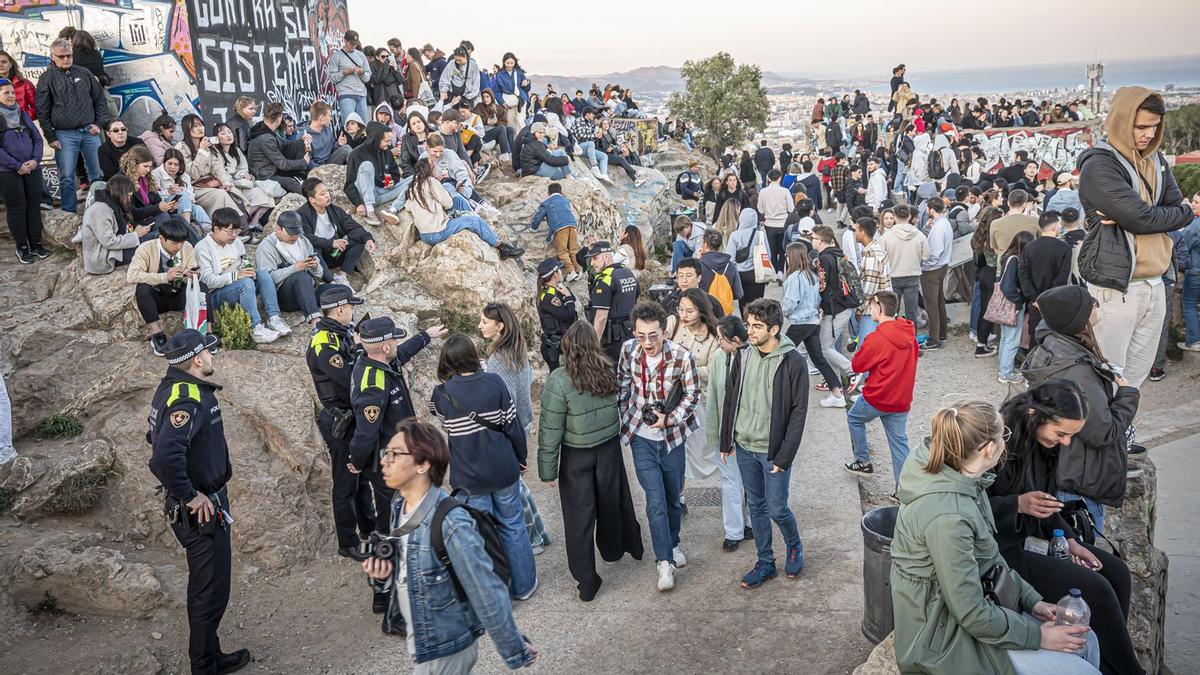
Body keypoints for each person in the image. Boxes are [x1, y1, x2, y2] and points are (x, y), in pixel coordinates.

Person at [890, 399, 1101, 675]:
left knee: (1088, 641)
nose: (1006, 442)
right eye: (1004, 436)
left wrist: (1033, 601)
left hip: (961, 615)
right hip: (940, 639)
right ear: (990, 449)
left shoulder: (962, 478)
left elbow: (990, 557)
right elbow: (970, 613)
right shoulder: (948, 517)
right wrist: (1039, 637)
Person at [988, 381, 1142, 675]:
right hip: (1001, 555)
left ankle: (1114, 663)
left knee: (1117, 572)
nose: (1067, 443)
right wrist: (1017, 505)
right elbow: (972, 512)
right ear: (1034, 414)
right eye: (1062, 434)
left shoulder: (1044, 442)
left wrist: (1070, 540)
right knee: (1096, 589)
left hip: (1028, 538)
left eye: (1071, 435)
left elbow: (1044, 504)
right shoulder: (999, 442)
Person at [362, 419, 538, 671]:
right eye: (385, 453)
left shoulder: (452, 523)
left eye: (395, 454)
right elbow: (408, 572)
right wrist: (384, 577)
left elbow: (486, 591)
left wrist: (515, 650)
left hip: (448, 650)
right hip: (424, 644)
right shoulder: (399, 506)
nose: (384, 461)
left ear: (423, 464)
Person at [1077, 87, 1197, 388]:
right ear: (1121, 121)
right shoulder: (1099, 166)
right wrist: (1155, 214)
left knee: (1135, 379)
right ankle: (1104, 434)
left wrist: (1157, 213)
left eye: (1154, 126)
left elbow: (1174, 208)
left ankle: (1122, 434)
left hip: (1156, 280)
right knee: (1107, 375)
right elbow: (1144, 218)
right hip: (1116, 285)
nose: (1148, 134)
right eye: (1141, 126)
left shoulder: (1156, 161)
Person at [147, 329, 251, 675]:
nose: (212, 356)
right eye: (209, 352)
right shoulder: (186, 397)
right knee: (209, 592)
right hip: (200, 511)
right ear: (196, 360)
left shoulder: (177, 388)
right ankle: (203, 667)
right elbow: (164, 457)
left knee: (214, 588)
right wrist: (191, 495)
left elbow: (156, 437)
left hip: (209, 502)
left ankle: (211, 655)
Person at [1022, 285, 1141, 531]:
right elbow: (1102, 432)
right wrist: (1128, 395)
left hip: (1061, 474)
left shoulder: (1052, 349)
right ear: (1079, 318)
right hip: (1079, 485)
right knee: (1084, 554)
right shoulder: (1078, 371)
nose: (1096, 306)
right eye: (1092, 304)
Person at [538, 321, 643, 600]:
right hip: (608, 450)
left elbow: (550, 428)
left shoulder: (559, 380)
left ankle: (587, 581)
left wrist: (547, 470)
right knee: (611, 503)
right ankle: (613, 549)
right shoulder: (607, 368)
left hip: (576, 455)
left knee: (579, 519)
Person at [429, 333, 539, 601]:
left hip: (468, 476)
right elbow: (511, 425)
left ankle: (495, 593)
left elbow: (443, 420)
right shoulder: (494, 382)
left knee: (482, 533)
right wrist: (521, 456)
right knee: (513, 524)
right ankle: (524, 586)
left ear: (448, 360)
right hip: (502, 467)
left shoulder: (441, 394)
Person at [708, 299, 808, 589]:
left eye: (757, 326)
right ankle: (765, 562)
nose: (749, 331)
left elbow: (798, 413)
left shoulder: (793, 362)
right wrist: (727, 440)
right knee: (757, 507)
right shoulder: (742, 356)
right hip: (745, 447)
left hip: (773, 451)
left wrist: (785, 455)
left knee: (777, 508)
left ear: (774, 329)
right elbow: (731, 398)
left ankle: (793, 545)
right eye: (749, 324)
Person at [349, 316, 447, 611]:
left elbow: (402, 353)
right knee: (393, 526)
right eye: (394, 339)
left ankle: (390, 589)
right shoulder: (373, 382)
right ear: (385, 345)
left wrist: (425, 336)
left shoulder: (380, 361)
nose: (396, 344)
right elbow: (366, 432)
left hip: (400, 459)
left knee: (395, 523)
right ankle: (386, 592)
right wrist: (357, 460)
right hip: (389, 465)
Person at [617, 301, 700, 592]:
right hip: (641, 438)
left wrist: (670, 418)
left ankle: (673, 541)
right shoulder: (628, 350)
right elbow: (623, 387)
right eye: (641, 335)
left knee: (672, 499)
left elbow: (692, 395)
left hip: (673, 439)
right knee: (654, 501)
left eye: (653, 335)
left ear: (664, 331)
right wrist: (627, 420)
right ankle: (664, 563)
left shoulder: (681, 356)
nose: (647, 342)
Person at [306, 285, 374, 561]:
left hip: (351, 415)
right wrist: (359, 350)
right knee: (345, 482)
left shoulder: (338, 333)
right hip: (339, 419)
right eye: (351, 308)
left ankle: (369, 527)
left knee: (362, 475)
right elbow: (349, 379)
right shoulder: (323, 342)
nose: (353, 312)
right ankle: (347, 542)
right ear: (340, 309)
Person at [478, 302, 552, 554]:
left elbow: (503, 398)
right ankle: (540, 532)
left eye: (484, 322)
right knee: (519, 486)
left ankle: (533, 539)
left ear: (499, 326)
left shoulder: (498, 358)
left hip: (511, 427)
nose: (480, 326)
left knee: (512, 491)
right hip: (524, 419)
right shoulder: (516, 349)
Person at [668, 289, 729, 532]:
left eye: (690, 310)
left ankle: (733, 490)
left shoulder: (715, 336)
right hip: (675, 400)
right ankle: (679, 497)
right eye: (681, 309)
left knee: (712, 447)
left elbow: (716, 369)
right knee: (677, 449)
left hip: (704, 401)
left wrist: (686, 368)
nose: (683, 314)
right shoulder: (672, 324)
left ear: (702, 311)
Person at [842, 290, 917, 485]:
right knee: (899, 444)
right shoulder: (909, 334)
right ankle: (904, 490)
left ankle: (863, 461)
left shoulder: (877, 338)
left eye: (872, 307)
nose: (871, 311)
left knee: (854, 419)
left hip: (878, 397)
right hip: (901, 399)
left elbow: (857, 365)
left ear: (879, 308)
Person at [404, 145, 523, 259]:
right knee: (474, 221)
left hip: (425, 234)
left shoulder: (413, 186)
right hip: (437, 232)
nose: (435, 166)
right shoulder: (431, 182)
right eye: (433, 166)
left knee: (458, 199)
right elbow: (448, 204)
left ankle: (475, 219)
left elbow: (408, 207)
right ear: (429, 169)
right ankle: (501, 247)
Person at [35, 37, 108, 214]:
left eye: (69, 55)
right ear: (53, 57)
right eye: (61, 56)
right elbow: (42, 110)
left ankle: (99, 210)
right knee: (67, 177)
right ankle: (69, 213)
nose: (66, 59)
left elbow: (99, 99)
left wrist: (99, 124)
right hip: (64, 134)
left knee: (97, 175)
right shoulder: (46, 78)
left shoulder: (84, 73)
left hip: (90, 131)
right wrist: (50, 136)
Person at [194, 208, 280, 343]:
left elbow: (244, 262)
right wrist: (236, 276)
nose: (234, 235)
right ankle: (255, 326)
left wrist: (248, 271)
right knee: (245, 283)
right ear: (216, 229)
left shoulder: (237, 243)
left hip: (237, 286)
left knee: (262, 274)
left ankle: (274, 317)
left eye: (236, 231)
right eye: (230, 231)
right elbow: (207, 281)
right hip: (215, 295)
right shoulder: (202, 248)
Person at [782, 241, 843, 402]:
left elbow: (791, 303)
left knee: (780, 354)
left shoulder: (794, 278)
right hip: (813, 321)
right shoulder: (812, 275)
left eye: (787, 255)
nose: (785, 258)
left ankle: (783, 388)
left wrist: (783, 312)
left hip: (799, 323)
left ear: (791, 257)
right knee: (818, 359)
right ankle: (837, 392)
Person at [127, 218, 197, 354]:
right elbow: (132, 275)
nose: (179, 247)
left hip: (179, 294)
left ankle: (207, 332)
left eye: (181, 242)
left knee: (202, 286)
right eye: (174, 243)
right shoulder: (146, 248)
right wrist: (165, 277)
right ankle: (157, 334)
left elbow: (192, 268)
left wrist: (191, 274)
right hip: (157, 297)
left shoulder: (187, 247)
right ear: (161, 238)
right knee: (142, 288)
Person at [253, 212, 327, 330]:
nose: (295, 236)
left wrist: (315, 266)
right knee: (300, 276)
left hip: (307, 291)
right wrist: (294, 268)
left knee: (341, 291)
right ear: (278, 229)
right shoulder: (266, 247)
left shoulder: (303, 240)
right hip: (283, 296)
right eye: (291, 233)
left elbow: (320, 274)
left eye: (297, 233)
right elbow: (266, 279)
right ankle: (315, 321)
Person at [297, 177, 376, 287]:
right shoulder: (302, 214)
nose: (327, 195)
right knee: (313, 250)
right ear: (312, 199)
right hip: (320, 258)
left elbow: (352, 226)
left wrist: (368, 238)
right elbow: (307, 237)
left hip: (336, 252)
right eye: (322, 194)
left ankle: (342, 275)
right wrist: (331, 243)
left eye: (327, 191)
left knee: (359, 239)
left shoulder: (334, 209)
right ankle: (331, 281)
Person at [811, 226, 859, 406]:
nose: (812, 241)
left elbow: (821, 286)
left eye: (814, 238)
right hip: (844, 305)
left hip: (834, 309)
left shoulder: (823, 258)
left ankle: (851, 371)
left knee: (824, 347)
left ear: (821, 241)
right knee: (828, 345)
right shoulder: (839, 254)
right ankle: (833, 382)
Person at [0, 78, 46, 263]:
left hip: (31, 168)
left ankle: (36, 243)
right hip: (8, 171)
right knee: (17, 209)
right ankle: (22, 247)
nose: (11, 96)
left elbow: (37, 139)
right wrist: (17, 165)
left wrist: (35, 160)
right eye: (6, 93)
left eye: (12, 92)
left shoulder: (22, 114)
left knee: (34, 206)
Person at [81, 175, 152, 273]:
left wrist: (135, 230)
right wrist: (136, 235)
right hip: (105, 258)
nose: (129, 200)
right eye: (129, 196)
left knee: (153, 236)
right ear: (121, 193)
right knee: (152, 240)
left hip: (113, 252)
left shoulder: (113, 205)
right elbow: (109, 242)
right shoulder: (100, 210)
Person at [211, 123, 275, 228]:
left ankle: (254, 222)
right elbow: (219, 171)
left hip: (242, 184)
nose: (228, 135)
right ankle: (242, 220)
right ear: (216, 137)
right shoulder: (215, 152)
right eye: (223, 133)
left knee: (266, 194)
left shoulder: (236, 150)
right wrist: (237, 176)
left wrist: (244, 175)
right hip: (228, 184)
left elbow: (243, 168)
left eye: (229, 132)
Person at [585, 240, 640, 363]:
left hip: (612, 342)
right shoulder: (627, 272)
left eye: (595, 258)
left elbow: (601, 317)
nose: (592, 263)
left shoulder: (605, 280)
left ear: (606, 256)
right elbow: (635, 300)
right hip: (631, 335)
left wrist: (594, 346)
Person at [1019, 211, 1073, 332]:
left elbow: (1023, 275)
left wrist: (1034, 298)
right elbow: (1062, 277)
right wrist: (1047, 298)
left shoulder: (1029, 247)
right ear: (1054, 226)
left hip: (1033, 302)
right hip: (1054, 300)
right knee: (1052, 335)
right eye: (1059, 224)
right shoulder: (1064, 248)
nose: (1061, 226)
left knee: (1034, 333)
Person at [878, 204, 929, 324]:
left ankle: (894, 338)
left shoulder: (886, 237)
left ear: (895, 217)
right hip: (913, 276)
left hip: (893, 276)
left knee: (893, 312)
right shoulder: (919, 235)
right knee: (911, 312)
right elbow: (926, 255)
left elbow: (880, 258)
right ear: (909, 216)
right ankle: (912, 339)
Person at [998, 231, 1036, 384]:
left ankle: (1003, 368)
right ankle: (1006, 373)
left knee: (1005, 338)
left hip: (1005, 306)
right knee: (1012, 341)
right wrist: (1019, 300)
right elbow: (1007, 287)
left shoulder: (1007, 256)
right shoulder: (1016, 260)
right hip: (1013, 305)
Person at [248, 102, 309, 194]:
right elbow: (283, 164)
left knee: (300, 144)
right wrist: (304, 162)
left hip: (272, 168)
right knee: (291, 183)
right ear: (278, 119)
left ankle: (300, 176)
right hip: (265, 174)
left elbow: (285, 144)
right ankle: (311, 198)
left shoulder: (265, 129)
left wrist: (303, 140)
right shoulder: (266, 138)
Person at [920, 198, 954, 350]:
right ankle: (942, 334)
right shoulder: (943, 223)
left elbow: (935, 253)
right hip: (942, 266)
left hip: (933, 269)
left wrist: (924, 264)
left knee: (931, 304)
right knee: (939, 301)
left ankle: (934, 339)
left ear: (931, 210)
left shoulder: (939, 228)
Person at [530, 183, 581, 280]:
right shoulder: (566, 200)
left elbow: (539, 216)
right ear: (561, 191)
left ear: (548, 193)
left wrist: (533, 227)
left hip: (560, 228)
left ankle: (571, 271)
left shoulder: (547, 203)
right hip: (572, 225)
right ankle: (578, 269)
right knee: (574, 249)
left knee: (562, 252)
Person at [535, 258, 577, 370]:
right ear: (554, 274)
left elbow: (573, 300)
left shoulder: (556, 289)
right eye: (559, 270)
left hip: (561, 343)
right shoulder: (549, 297)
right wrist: (567, 296)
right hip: (555, 346)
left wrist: (568, 296)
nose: (561, 272)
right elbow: (569, 315)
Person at [154, 149, 211, 230]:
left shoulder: (185, 176)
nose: (172, 167)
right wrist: (168, 192)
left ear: (180, 165)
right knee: (183, 195)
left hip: (181, 206)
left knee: (197, 208)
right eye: (170, 163)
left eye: (176, 164)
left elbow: (191, 197)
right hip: (164, 206)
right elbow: (153, 197)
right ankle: (187, 227)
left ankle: (209, 230)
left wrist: (181, 197)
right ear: (164, 163)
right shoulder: (156, 174)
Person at [727, 207, 769, 307]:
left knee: (743, 302)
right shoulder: (760, 234)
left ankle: (745, 321)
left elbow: (730, 258)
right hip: (757, 273)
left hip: (740, 274)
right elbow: (767, 255)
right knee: (758, 303)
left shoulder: (734, 235)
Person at [326, 30, 370, 123]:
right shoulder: (337, 56)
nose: (353, 46)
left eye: (355, 44)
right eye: (351, 43)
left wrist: (362, 73)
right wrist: (344, 73)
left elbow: (368, 77)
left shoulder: (361, 55)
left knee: (363, 125)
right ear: (345, 41)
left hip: (361, 94)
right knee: (348, 124)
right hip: (346, 94)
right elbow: (332, 78)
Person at [661, 258, 726, 319]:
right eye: (680, 276)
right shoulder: (668, 301)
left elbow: (721, 328)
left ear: (699, 278)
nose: (684, 280)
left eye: (688, 276)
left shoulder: (712, 303)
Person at [758, 169, 793, 274]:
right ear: (780, 178)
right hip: (783, 223)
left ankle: (773, 271)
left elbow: (760, 210)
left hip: (769, 224)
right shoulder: (785, 191)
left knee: (772, 250)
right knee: (783, 249)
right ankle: (780, 271)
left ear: (768, 178)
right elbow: (791, 209)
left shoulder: (763, 192)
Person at [304, 101, 352, 167]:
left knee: (346, 148)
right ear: (322, 118)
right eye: (329, 116)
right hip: (316, 169)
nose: (331, 119)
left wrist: (338, 144)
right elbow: (307, 162)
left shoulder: (328, 130)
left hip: (329, 162)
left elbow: (332, 150)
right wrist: (322, 170)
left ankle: (358, 173)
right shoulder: (304, 135)